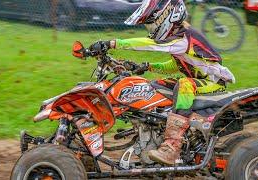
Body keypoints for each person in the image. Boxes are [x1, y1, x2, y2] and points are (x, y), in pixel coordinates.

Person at [86, 0, 235, 165]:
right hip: (198, 80)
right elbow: (174, 65)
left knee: (185, 85)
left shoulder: (183, 38)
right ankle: (155, 128)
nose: (151, 30)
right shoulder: (179, 38)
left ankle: (172, 146)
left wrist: (113, 43)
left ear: (168, 17)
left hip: (213, 82)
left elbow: (152, 45)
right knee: (153, 87)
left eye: (152, 25)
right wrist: (147, 66)